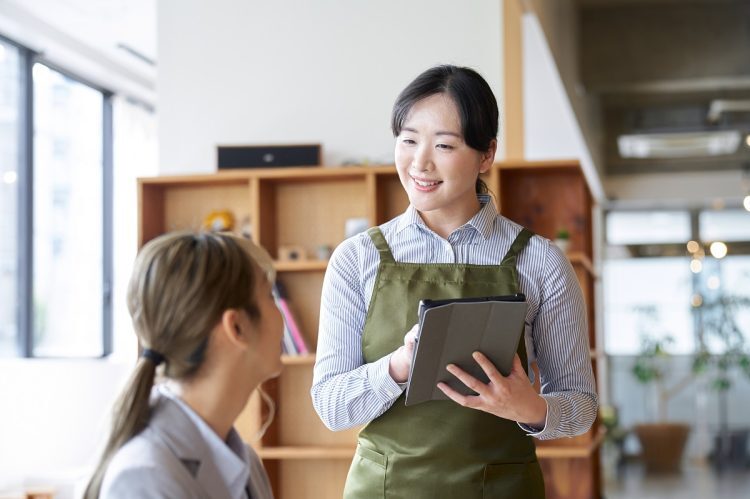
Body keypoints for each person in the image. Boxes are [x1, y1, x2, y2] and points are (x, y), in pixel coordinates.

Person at [311, 65, 598, 498]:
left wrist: (531, 407)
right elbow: (331, 407)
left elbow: (580, 406)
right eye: (408, 140)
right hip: (386, 490)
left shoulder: (540, 262)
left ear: (486, 155)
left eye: (444, 145)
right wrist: (399, 367)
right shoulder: (357, 260)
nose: (419, 163)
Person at [84, 232, 283, 499]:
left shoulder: (246, 465)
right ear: (236, 327)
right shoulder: (144, 477)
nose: (280, 312)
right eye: (270, 295)